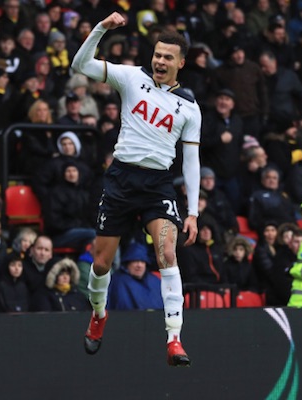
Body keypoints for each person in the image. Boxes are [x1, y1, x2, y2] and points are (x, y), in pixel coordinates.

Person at [72, 12, 201, 366]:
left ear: (181, 63)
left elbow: (191, 162)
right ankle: (99, 315)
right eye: (157, 54)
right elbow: (80, 64)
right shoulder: (131, 77)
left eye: (167, 57)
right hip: (121, 181)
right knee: (101, 264)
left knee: (167, 255)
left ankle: (174, 338)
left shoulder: (189, 106)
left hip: (158, 184)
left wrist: (193, 213)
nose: (160, 61)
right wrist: (101, 28)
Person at [107, 241, 163, 310]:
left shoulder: (155, 281)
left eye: (142, 261)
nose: (139, 265)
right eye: (135, 261)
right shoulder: (117, 281)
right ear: (127, 263)